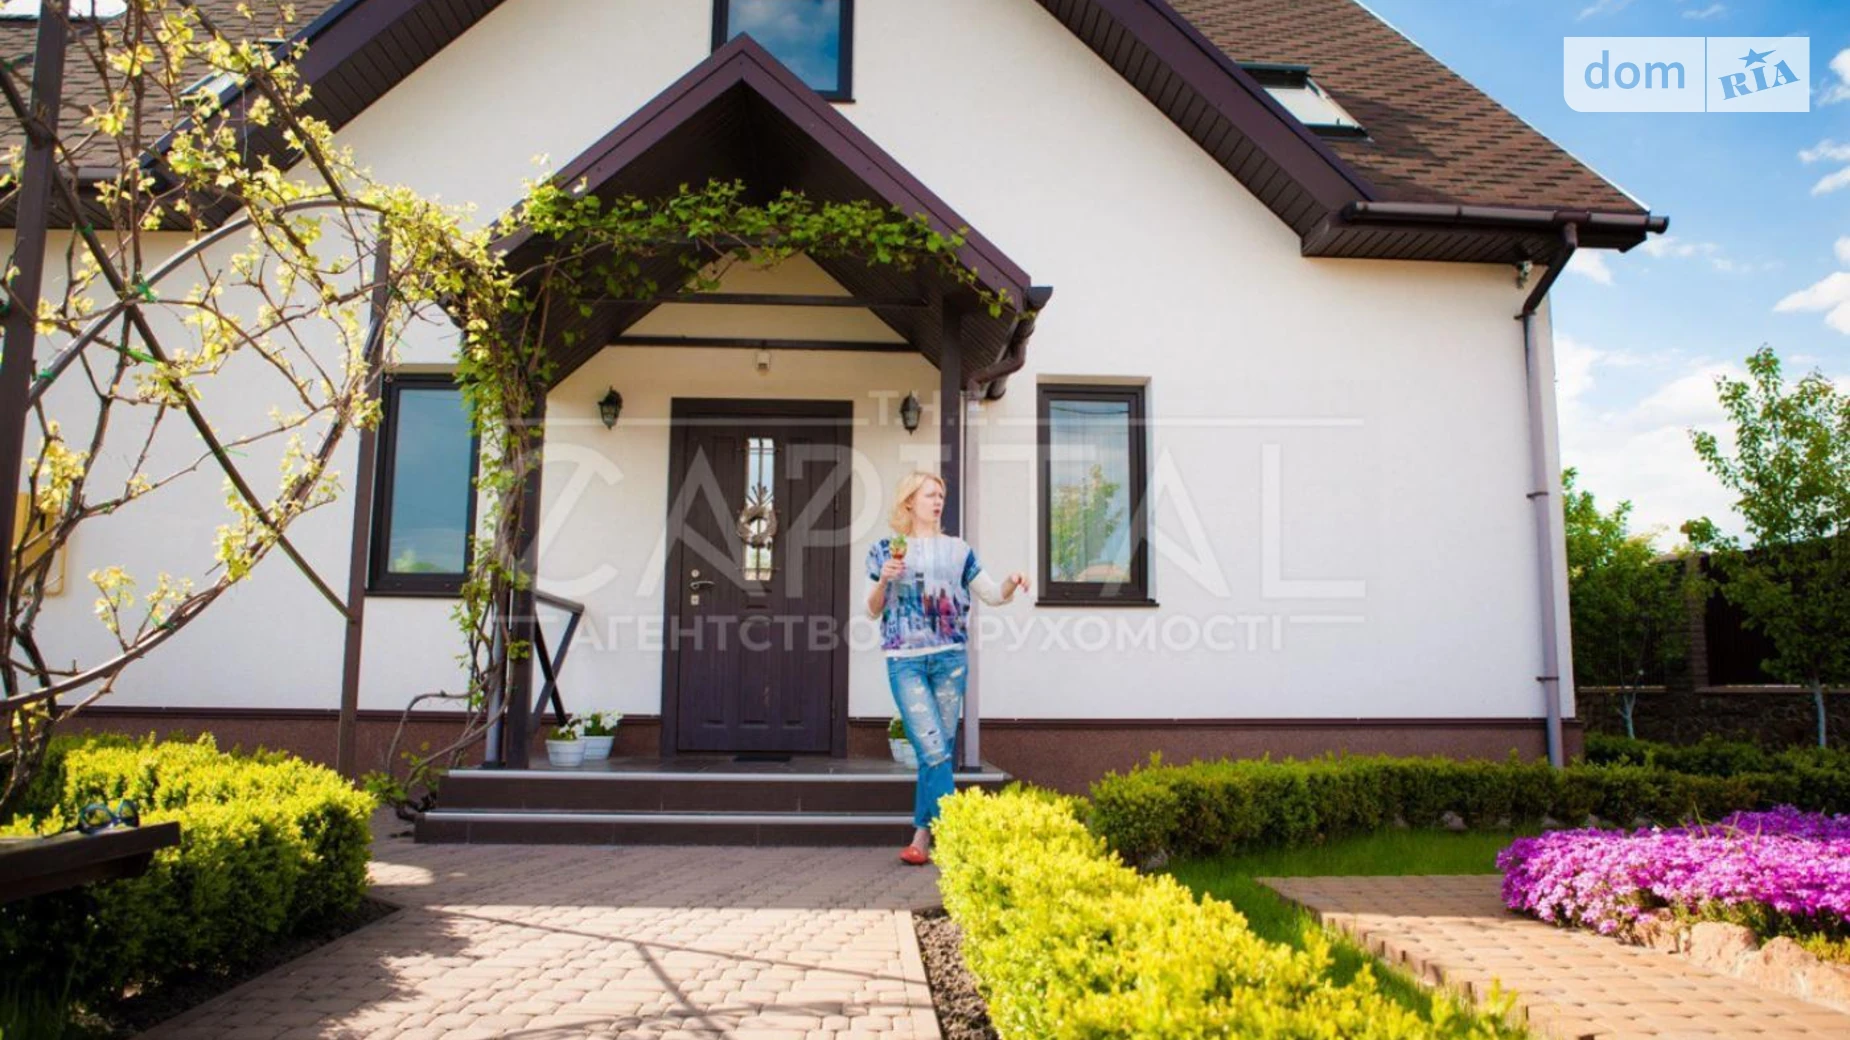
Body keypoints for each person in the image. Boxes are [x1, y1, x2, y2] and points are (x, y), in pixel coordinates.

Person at [865, 471, 1029, 866]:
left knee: (935, 751)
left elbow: (993, 595)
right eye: (929, 495)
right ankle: (958, 835)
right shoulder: (885, 550)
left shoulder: (958, 551)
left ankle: (922, 836)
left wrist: (1011, 581)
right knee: (933, 747)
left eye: (941, 495)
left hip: (949, 659)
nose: (938, 502)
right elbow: (871, 610)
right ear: (909, 502)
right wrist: (884, 581)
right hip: (905, 660)